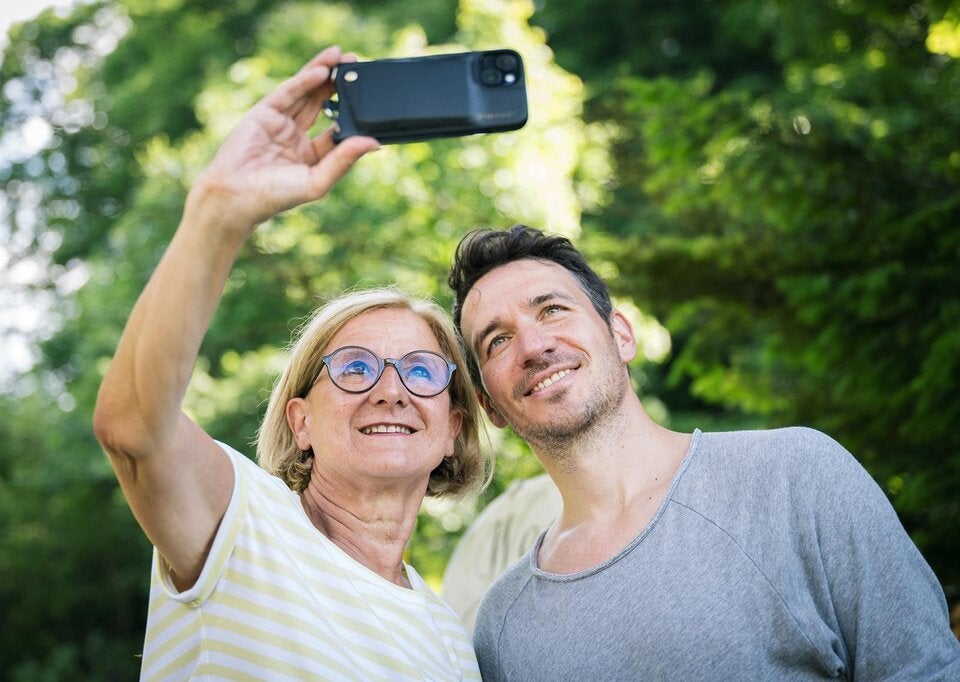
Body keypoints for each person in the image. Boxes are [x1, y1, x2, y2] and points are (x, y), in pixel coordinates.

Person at [93, 46, 489, 680]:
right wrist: (220, 210)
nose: (391, 391)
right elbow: (134, 429)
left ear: (454, 430)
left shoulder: (453, 638)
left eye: (420, 371)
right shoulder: (245, 524)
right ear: (300, 420)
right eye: (356, 368)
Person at [447, 224, 960, 680]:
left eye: (553, 309)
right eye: (497, 341)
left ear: (621, 335)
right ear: (490, 406)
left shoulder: (797, 475)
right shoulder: (501, 629)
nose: (534, 346)